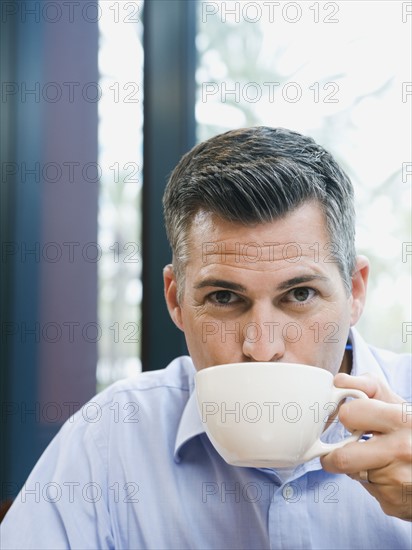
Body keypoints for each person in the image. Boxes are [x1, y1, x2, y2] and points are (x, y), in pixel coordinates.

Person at [1, 127, 411, 549]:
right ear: (176, 301)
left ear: (355, 292)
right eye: (224, 297)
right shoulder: (109, 436)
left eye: (300, 295)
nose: (262, 347)